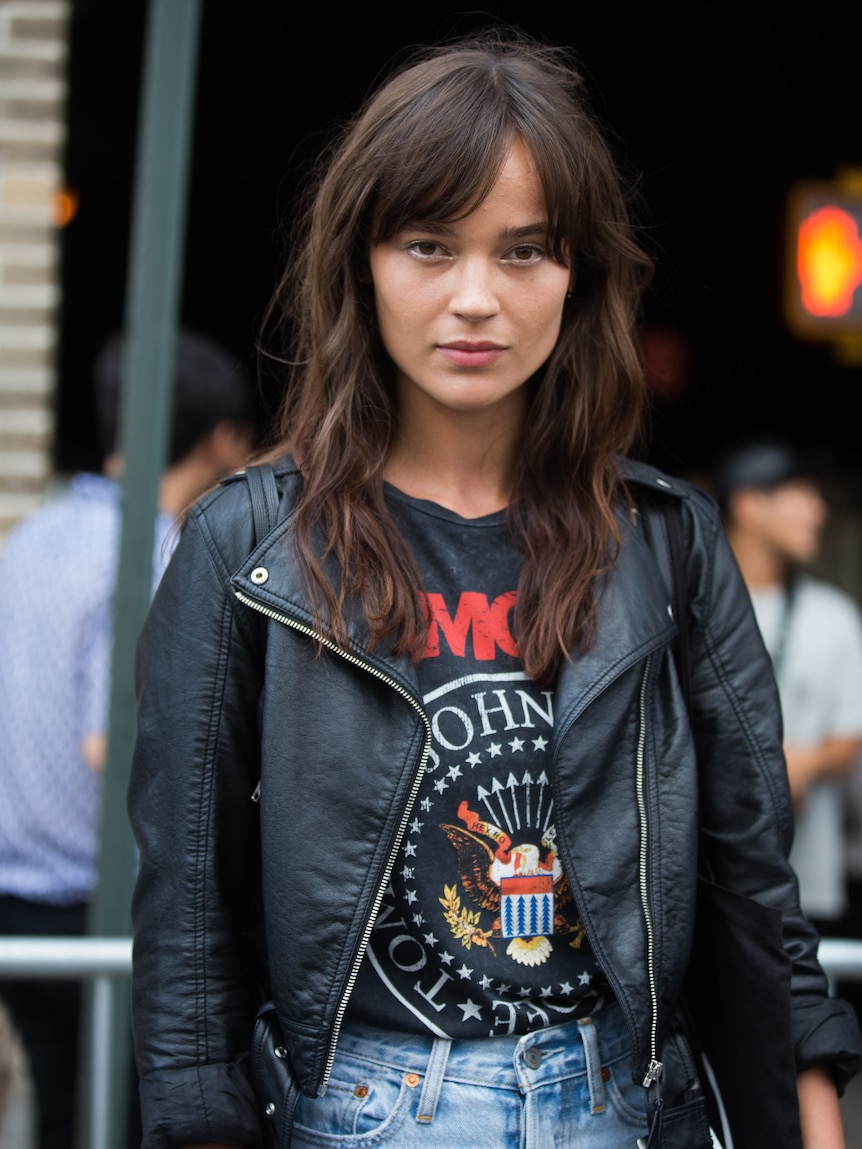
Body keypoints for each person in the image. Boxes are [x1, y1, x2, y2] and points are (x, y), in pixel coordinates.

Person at [127, 31, 862, 1149]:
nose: (475, 297)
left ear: (579, 277)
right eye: (428, 244)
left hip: (619, 1104)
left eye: (524, 252)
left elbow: (750, 879)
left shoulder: (663, 542)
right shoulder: (249, 544)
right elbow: (187, 907)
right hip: (358, 1109)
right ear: (361, 265)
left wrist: (809, 1101)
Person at [0, 328, 256, 1149]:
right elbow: (112, 741)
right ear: (223, 439)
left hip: (18, 898)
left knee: (65, 1110)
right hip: (102, 906)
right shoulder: (153, 551)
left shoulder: (28, 540)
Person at [711, 436, 862, 936]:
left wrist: (805, 762)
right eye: (802, 494)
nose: (818, 511)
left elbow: (849, 734)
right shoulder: (688, 609)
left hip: (806, 881)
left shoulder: (834, 615)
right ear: (751, 506)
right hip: (702, 879)